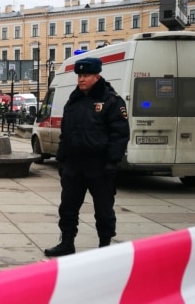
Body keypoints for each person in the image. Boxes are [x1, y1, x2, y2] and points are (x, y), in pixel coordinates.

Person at [44, 57, 130, 257]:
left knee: (103, 209)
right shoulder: (74, 101)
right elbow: (66, 133)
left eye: (86, 75)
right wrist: (61, 159)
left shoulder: (111, 101)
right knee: (68, 206)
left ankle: (104, 245)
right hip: (74, 165)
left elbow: (119, 134)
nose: (81, 79)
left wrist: (112, 162)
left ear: (97, 76)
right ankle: (67, 242)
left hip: (99, 166)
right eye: (79, 76)